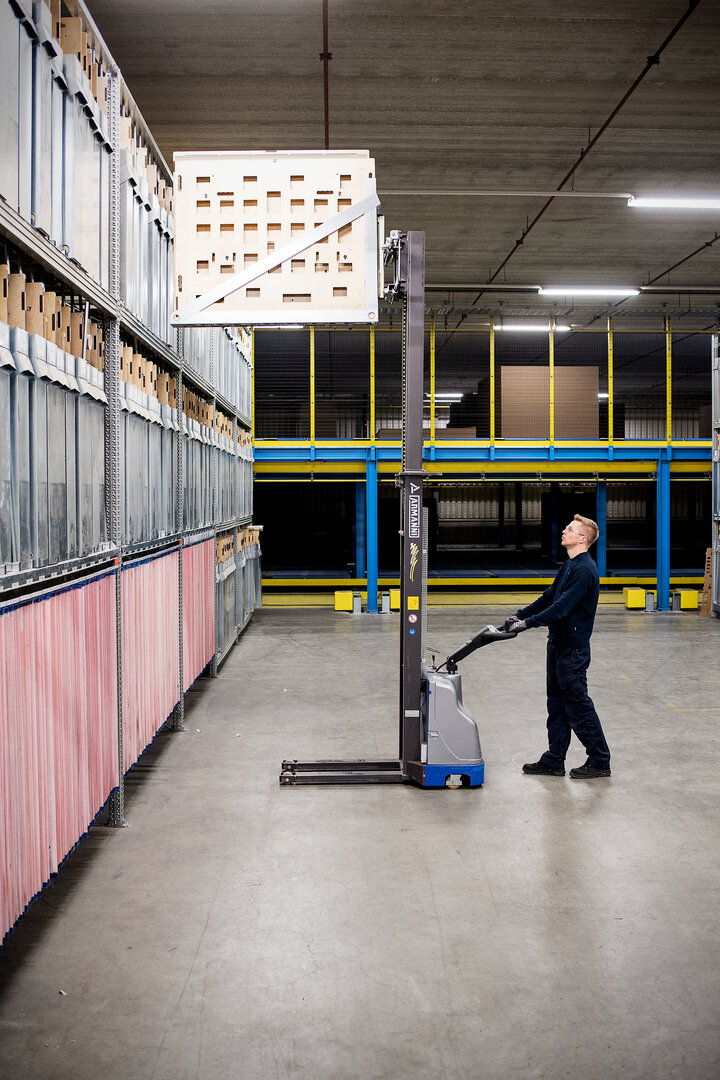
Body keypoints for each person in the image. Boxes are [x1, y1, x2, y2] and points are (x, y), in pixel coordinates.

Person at [504, 514, 611, 780]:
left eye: (570, 529)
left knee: (578, 706)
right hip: (558, 645)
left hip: (572, 651)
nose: (564, 531)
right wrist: (520, 615)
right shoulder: (569, 566)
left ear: (582, 539)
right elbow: (549, 597)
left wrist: (528, 624)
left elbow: (561, 609)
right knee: (557, 706)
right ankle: (554, 760)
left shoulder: (585, 570)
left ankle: (599, 760)